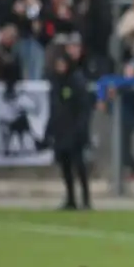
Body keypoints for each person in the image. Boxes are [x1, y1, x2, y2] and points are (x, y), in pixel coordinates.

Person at [43, 53, 92, 210]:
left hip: (74, 131)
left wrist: (81, 128)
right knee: (65, 167)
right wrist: (49, 130)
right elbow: (53, 109)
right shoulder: (56, 83)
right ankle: (70, 198)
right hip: (61, 131)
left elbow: (83, 108)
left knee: (79, 166)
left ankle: (85, 199)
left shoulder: (76, 81)